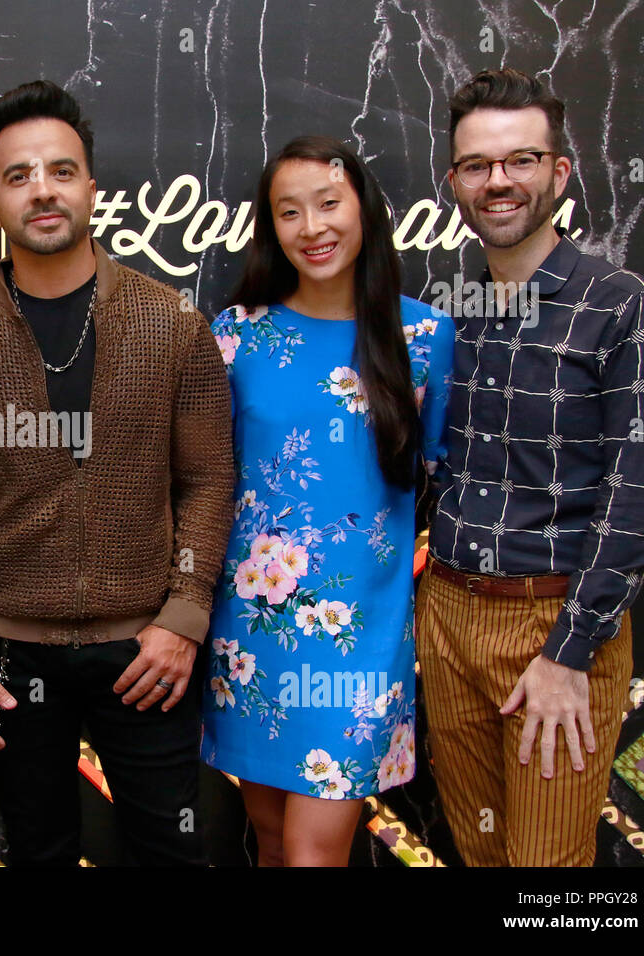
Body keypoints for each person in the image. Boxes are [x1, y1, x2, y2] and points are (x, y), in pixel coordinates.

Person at [0, 79, 233, 866]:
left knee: (172, 851)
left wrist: (186, 612)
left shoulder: (173, 325)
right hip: (9, 659)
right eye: (18, 176)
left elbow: (210, 479)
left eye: (60, 170)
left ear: (92, 187)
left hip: (146, 652)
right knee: (39, 851)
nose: (41, 190)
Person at [419, 68, 644, 866]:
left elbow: (639, 498)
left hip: (557, 627)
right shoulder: (454, 310)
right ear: (455, 182)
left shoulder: (624, 306)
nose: (499, 181)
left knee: (546, 873)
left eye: (521, 160)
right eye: (477, 165)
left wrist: (570, 654)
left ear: (558, 173)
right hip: (449, 615)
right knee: (481, 853)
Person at [201, 136, 453, 866]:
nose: (312, 227)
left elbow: (441, 479)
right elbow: (210, 480)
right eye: (289, 212)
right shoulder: (237, 335)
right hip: (251, 636)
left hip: (359, 644)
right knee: (275, 842)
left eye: (329, 203)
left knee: (314, 857)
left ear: (365, 210)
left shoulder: (426, 337)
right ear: (270, 227)